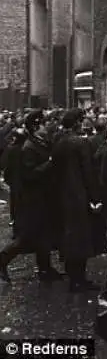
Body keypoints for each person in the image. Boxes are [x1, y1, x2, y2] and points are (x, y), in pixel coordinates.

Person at [0, 110, 61, 283]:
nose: (47, 126)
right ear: (36, 127)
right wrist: (49, 163)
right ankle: (2, 259)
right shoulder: (29, 147)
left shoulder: (40, 142)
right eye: (43, 124)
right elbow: (30, 174)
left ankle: (45, 269)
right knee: (27, 236)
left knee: (44, 235)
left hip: (42, 198)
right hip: (32, 200)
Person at [52, 108, 105, 291]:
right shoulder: (81, 144)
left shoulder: (58, 142)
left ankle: (72, 275)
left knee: (69, 237)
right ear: (76, 123)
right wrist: (95, 197)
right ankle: (78, 279)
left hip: (62, 196)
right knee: (81, 238)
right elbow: (88, 172)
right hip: (79, 196)